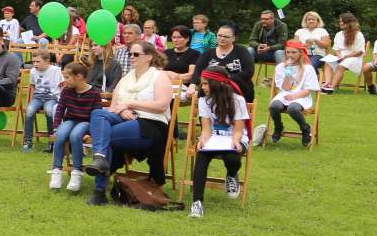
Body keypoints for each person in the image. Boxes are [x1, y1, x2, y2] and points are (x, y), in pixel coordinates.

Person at [86, 40, 173, 205]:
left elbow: (161, 105)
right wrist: (123, 109)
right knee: (98, 113)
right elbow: (113, 107)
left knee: (106, 137)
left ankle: (99, 191)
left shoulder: (160, 76)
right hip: (123, 117)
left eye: (136, 54)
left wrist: (131, 104)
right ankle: (100, 159)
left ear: (148, 57)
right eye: (130, 54)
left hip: (150, 123)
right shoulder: (126, 78)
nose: (131, 57)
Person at [190, 65, 249, 219]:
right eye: (202, 83)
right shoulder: (204, 100)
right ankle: (197, 202)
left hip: (234, 136)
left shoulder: (238, 100)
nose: (202, 87)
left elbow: (238, 129)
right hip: (213, 137)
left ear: (218, 84)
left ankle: (232, 173)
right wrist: (202, 140)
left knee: (232, 156)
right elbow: (206, 129)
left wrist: (235, 142)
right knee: (201, 156)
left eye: (205, 83)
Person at [48, 62, 102, 192]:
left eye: (67, 77)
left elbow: (97, 114)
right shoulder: (67, 91)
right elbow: (60, 109)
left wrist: (91, 132)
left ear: (79, 76)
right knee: (60, 135)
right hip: (71, 120)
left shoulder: (94, 93)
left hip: (86, 122)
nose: (64, 80)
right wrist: (56, 128)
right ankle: (56, 171)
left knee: (75, 135)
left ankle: (77, 172)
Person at [254, 41, 319, 146]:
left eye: (293, 52)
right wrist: (288, 71)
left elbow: (307, 90)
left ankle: (305, 129)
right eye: (288, 52)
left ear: (300, 53)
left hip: (302, 96)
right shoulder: (281, 67)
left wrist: (294, 96)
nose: (290, 55)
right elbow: (286, 88)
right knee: (274, 106)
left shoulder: (308, 68)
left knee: (293, 108)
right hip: (285, 94)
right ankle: (278, 127)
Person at [187, 23, 257, 103]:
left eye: (226, 36)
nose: (222, 38)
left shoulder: (241, 51)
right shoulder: (208, 53)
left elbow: (248, 72)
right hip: (211, 90)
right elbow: (198, 72)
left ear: (233, 38)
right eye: (219, 35)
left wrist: (223, 79)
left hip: (238, 89)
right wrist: (192, 85)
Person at [20, 50, 62, 152]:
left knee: (49, 111)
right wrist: (30, 100)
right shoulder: (33, 71)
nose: (35, 64)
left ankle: (51, 142)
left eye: (38, 62)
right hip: (38, 97)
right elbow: (33, 86)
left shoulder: (55, 70)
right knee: (29, 111)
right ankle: (28, 142)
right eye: (33, 62)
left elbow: (62, 85)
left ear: (47, 61)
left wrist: (61, 100)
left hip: (52, 97)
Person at [320, 13, 367, 92]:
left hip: (354, 58)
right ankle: (327, 83)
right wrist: (339, 56)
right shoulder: (338, 34)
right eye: (340, 21)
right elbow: (336, 49)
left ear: (349, 23)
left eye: (342, 21)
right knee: (327, 61)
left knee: (341, 66)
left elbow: (359, 52)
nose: (340, 23)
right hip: (341, 57)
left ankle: (331, 87)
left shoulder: (358, 34)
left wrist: (346, 57)